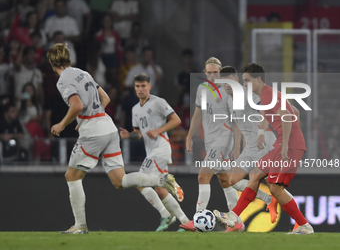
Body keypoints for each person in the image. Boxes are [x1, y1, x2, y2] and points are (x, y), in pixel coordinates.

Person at [46, 43, 183, 234]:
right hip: (107, 126)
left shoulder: (62, 81)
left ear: (52, 63)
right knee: (120, 180)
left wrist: (62, 124)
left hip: (93, 132)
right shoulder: (83, 73)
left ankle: (80, 226)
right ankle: (160, 180)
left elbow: (76, 105)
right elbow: (106, 99)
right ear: (69, 58)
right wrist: (88, 117)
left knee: (72, 176)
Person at [214, 63, 314, 235]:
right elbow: (295, 112)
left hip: (288, 146)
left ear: (258, 79)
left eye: (247, 81)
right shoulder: (270, 94)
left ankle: (304, 225)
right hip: (282, 143)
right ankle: (233, 215)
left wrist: (286, 143)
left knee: (275, 188)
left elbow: (288, 116)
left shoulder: (267, 96)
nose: (245, 85)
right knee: (255, 175)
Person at [120, 73, 188, 232]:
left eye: (143, 86)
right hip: (151, 151)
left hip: (161, 148)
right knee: (159, 189)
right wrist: (129, 135)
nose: (140, 89)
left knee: (138, 181)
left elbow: (176, 120)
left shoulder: (158, 102)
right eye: (137, 86)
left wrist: (158, 130)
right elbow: (138, 133)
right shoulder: (135, 109)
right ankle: (185, 222)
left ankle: (165, 210)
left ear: (149, 86)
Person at [180, 57, 240, 232]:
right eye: (210, 72)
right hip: (211, 141)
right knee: (225, 180)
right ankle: (237, 222)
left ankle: (197, 219)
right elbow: (198, 113)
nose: (213, 75)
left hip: (223, 140)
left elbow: (237, 120)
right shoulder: (202, 89)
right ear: (205, 73)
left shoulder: (228, 91)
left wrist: (236, 146)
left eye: (216, 72)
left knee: (202, 176)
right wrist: (189, 136)